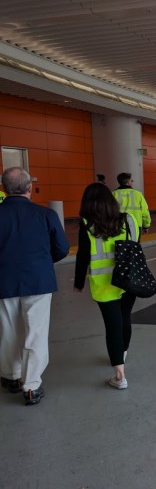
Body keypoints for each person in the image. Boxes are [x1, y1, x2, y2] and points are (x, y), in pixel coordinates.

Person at [0, 167, 69, 405]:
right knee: (35, 332)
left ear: (3, 189)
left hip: (3, 281)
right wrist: (39, 261)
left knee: (8, 330)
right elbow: (61, 249)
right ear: (30, 188)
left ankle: (11, 377)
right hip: (38, 280)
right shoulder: (46, 215)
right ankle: (31, 386)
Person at [74, 183, 139, 390]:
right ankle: (123, 353)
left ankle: (120, 376)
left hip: (104, 286)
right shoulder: (128, 219)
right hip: (128, 281)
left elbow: (82, 256)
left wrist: (78, 283)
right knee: (125, 318)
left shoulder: (87, 225)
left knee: (112, 326)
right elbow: (135, 246)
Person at [113, 172, 150, 240]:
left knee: (120, 246)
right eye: (131, 180)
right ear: (128, 182)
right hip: (136, 224)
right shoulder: (138, 194)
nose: (132, 182)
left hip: (119, 225)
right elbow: (145, 211)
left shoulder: (113, 194)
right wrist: (146, 225)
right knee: (134, 246)